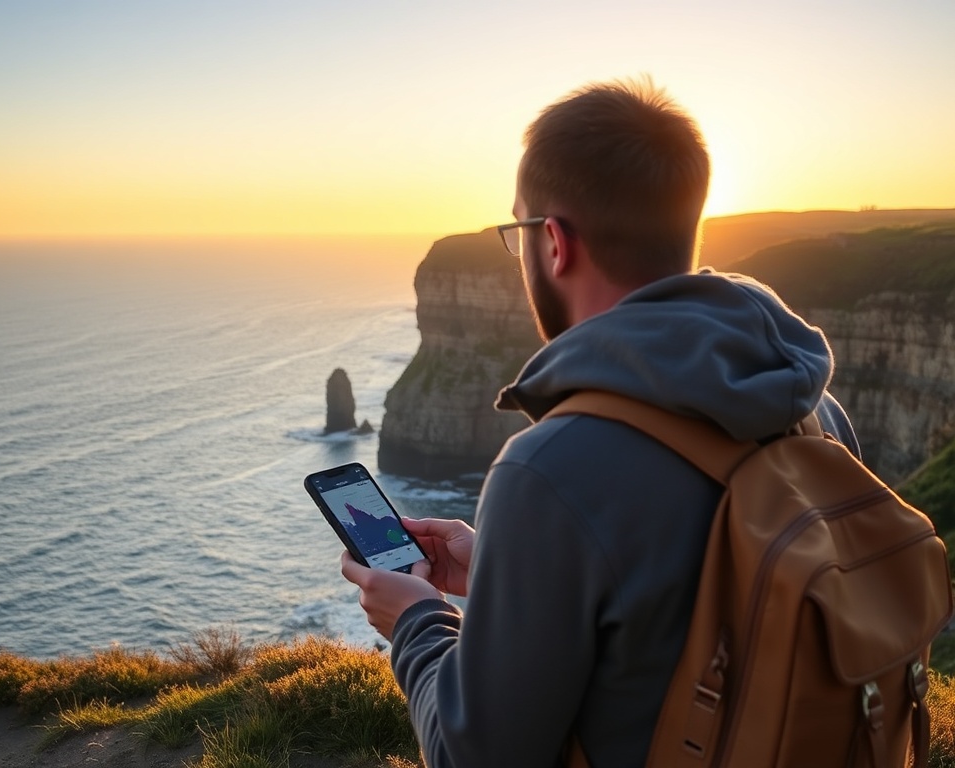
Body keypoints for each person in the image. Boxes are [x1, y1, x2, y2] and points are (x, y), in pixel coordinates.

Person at [341, 77, 860, 768]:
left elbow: (476, 758)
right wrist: (509, 570)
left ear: (552, 242)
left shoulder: (550, 470)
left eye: (515, 232)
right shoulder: (815, 412)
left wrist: (415, 619)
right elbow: (694, 610)